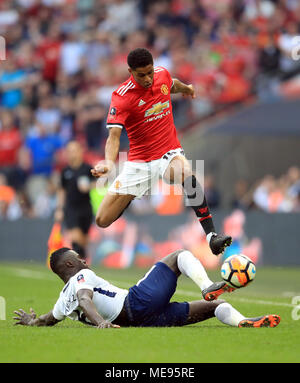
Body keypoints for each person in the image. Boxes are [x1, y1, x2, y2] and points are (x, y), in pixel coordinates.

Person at [91, 48, 231, 256]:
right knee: (102, 220)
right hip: (139, 163)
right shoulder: (122, 97)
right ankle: (132, 194)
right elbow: (113, 136)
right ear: (130, 71)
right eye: (141, 75)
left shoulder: (161, 75)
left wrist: (187, 88)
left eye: (150, 72)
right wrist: (109, 163)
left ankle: (212, 236)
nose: (148, 79)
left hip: (168, 152)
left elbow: (171, 83)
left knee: (184, 172)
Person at [13, 247, 280, 329]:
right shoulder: (81, 277)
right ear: (70, 264)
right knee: (178, 257)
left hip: (141, 321)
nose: (84, 260)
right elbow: (85, 299)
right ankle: (207, 284)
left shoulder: (62, 300)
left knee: (215, 306)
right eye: (78, 257)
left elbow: (49, 320)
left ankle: (244, 322)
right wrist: (99, 323)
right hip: (137, 302)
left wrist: (31, 321)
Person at [55, 141, 95, 259]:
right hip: (71, 208)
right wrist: (60, 209)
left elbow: (100, 183)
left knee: (83, 241)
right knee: (75, 236)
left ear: (80, 151)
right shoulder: (65, 171)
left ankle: (81, 260)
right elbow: (62, 190)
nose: (72, 154)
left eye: (74, 150)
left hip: (86, 208)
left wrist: (89, 186)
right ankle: (79, 261)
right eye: (69, 151)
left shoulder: (88, 169)